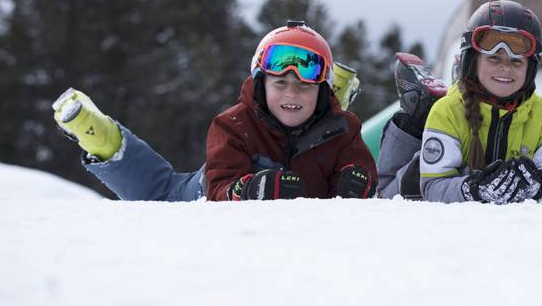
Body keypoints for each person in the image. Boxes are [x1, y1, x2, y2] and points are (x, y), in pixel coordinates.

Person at [52, 20, 373, 201]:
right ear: (260, 86)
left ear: (322, 90)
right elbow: (219, 187)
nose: (291, 93)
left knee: (323, 121)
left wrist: (355, 182)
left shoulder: (343, 128)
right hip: (203, 191)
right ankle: (99, 135)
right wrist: (250, 190)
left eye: (305, 86)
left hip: (318, 136)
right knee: (159, 192)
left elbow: (360, 167)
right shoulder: (234, 124)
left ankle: (330, 96)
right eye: (280, 83)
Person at [390, 0, 542, 204]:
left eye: (516, 62)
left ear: (530, 69)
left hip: (519, 222)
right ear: (473, 61)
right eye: (494, 58)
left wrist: (536, 189)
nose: (505, 68)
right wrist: (474, 190)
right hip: (434, 206)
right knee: (405, 180)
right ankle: (416, 109)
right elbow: (433, 187)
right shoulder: (447, 111)